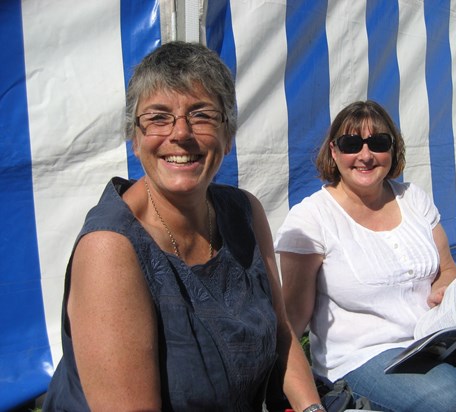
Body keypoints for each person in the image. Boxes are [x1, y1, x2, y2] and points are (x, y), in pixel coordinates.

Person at [43, 41, 324, 411]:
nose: (180, 133)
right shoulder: (110, 250)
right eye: (158, 117)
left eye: (202, 115)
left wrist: (312, 409)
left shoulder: (244, 213)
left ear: (228, 137)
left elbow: (281, 333)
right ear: (135, 139)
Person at [274, 100, 456, 411]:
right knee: (453, 395)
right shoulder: (310, 218)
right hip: (364, 356)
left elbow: (447, 268)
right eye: (351, 144)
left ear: (393, 150)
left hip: (432, 337)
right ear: (334, 153)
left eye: (378, 143)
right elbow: (291, 319)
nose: (365, 155)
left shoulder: (412, 198)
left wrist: (445, 288)